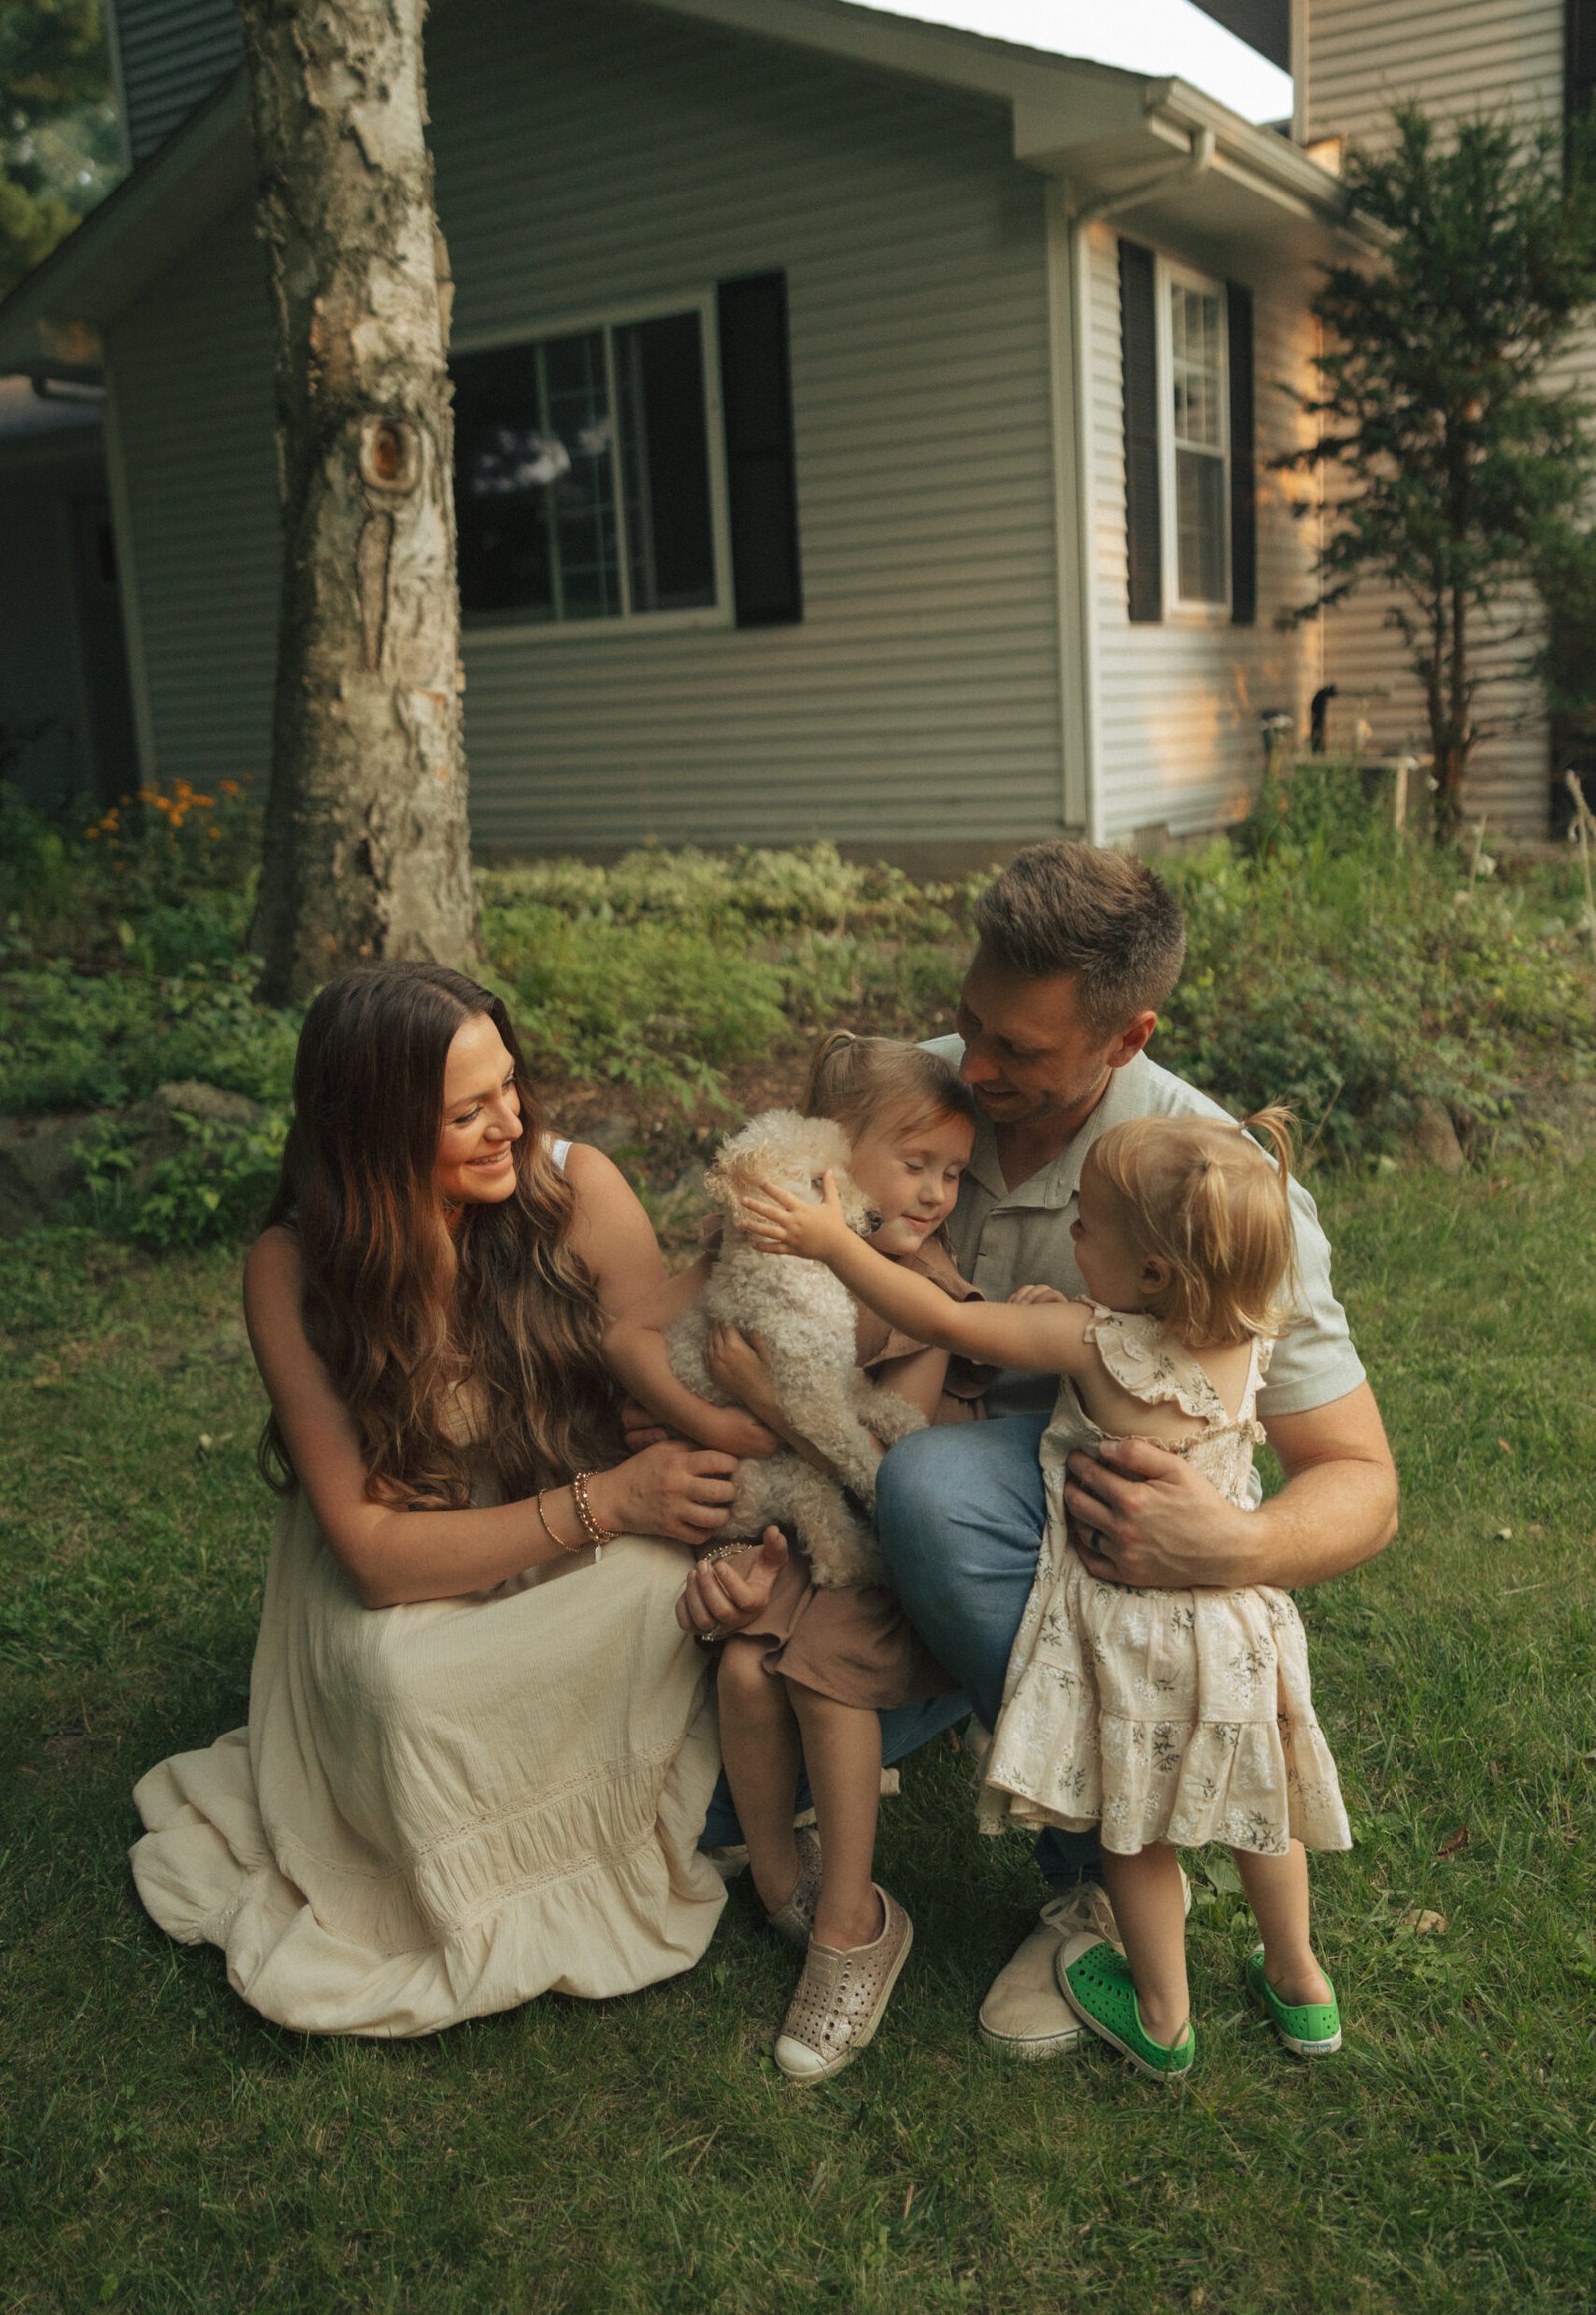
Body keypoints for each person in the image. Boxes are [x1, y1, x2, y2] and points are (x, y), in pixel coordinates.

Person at [681, 839, 1396, 2063]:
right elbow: (737, 1272)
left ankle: (1103, 1875)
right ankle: (943, 1717)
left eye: (1022, 1050)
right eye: (972, 1023)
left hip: (1060, 1527)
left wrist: (1234, 1539)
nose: (981, 1064)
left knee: (930, 1487)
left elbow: (1363, 1481)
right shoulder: (925, 1099)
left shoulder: (1202, 1184)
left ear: (1127, 1038)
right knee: (699, 1808)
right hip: (877, 1482)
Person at [129, 962, 745, 2038]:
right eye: (468, 1110)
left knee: (664, 1588)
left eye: (509, 1085)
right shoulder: (293, 1269)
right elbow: (370, 1550)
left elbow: (671, 1391)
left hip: (591, 1540)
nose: (509, 1120)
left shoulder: (576, 1191)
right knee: (394, 1686)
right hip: (418, 1556)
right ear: (373, 1131)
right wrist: (609, 1501)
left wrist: (652, 1457)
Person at [741, 1103, 1352, 2082]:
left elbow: (938, 1316)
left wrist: (827, 1241)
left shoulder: (1088, 1342)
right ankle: (1302, 1984)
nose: (1071, 1240)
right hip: (1237, 1625)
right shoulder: (1247, 1332)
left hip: (1133, 1633)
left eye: (1087, 1231)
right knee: (1261, 1805)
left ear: (1150, 1276)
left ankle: (1162, 2017)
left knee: (1135, 1829)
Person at [605, 1033, 981, 2084]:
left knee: (814, 1680)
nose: (937, 1193)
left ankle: (851, 1926)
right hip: (796, 1527)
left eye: (954, 1173)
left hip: (884, 1544)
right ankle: (781, 1888)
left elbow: (889, 1481)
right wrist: (711, 1428)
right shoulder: (758, 1244)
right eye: (916, 1164)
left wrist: (766, 1412)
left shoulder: (919, 1292)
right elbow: (631, 1337)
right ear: (829, 1156)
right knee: (740, 1671)